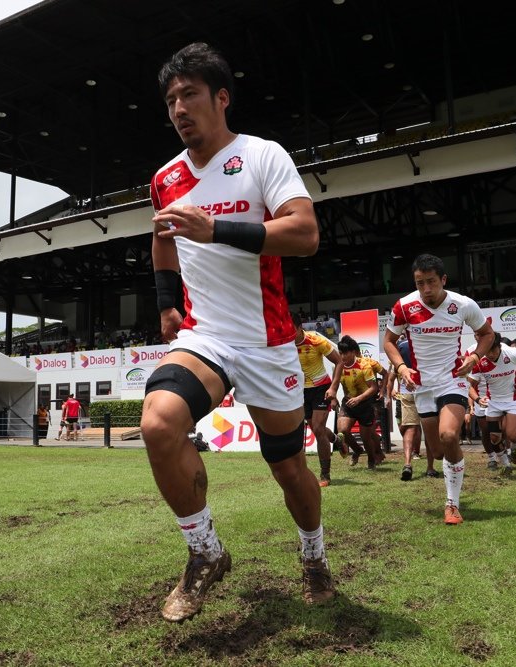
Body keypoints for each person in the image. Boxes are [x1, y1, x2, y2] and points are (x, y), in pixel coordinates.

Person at [140, 43, 333, 623]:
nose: (178, 107)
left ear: (221, 98)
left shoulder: (262, 156)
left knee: (289, 471)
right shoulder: (165, 177)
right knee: (157, 422)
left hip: (267, 340)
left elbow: (304, 234)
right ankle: (204, 553)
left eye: (190, 94)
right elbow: (163, 238)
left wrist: (216, 228)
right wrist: (167, 305)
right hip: (206, 336)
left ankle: (314, 554)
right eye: (170, 99)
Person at [383, 253, 495, 525]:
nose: (426, 290)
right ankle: (452, 470)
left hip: (452, 379)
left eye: (431, 282)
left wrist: (474, 357)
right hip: (421, 385)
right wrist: (400, 367)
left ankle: (452, 504)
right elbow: (388, 341)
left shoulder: (463, 305)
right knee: (438, 451)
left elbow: (487, 334)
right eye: (420, 283)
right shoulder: (404, 306)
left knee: (448, 435)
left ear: (443, 280)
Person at [467, 333, 516, 477]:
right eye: (487, 351)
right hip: (493, 402)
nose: (490, 355)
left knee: (512, 435)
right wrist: (477, 399)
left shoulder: (513, 353)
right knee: (494, 438)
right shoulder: (479, 361)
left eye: (493, 350)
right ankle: (506, 465)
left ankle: (515, 446)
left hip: (513, 399)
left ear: (499, 346)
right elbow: (468, 385)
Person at [292, 312, 344, 487]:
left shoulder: (315, 340)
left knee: (318, 428)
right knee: (316, 429)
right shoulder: (284, 345)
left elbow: (339, 362)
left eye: (291, 330)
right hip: (301, 391)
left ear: (300, 328)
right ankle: (337, 440)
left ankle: (325, 475)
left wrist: (333, 388)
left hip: (321, 388)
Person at [335, 336, 383, 469]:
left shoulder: (364, 365)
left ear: (353, 352)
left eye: (345, 353)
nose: (342, 356)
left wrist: (359, 399)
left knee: (366, 437)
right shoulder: (338, 365)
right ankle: (357, 450)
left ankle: (371, 460)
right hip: (348, 403)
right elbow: (334, 382)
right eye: (340, 353)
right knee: (342, 431)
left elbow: (373, 388)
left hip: (365, 405)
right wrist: (333, 397)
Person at [387, 334, 427, 480]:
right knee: (427, 427)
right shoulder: (424, 342)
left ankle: (407, 463)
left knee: (410, 428)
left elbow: (391, 376)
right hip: (425, 391)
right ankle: (429, 467)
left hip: (406, 393)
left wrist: (389, 392)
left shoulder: (398, 348)